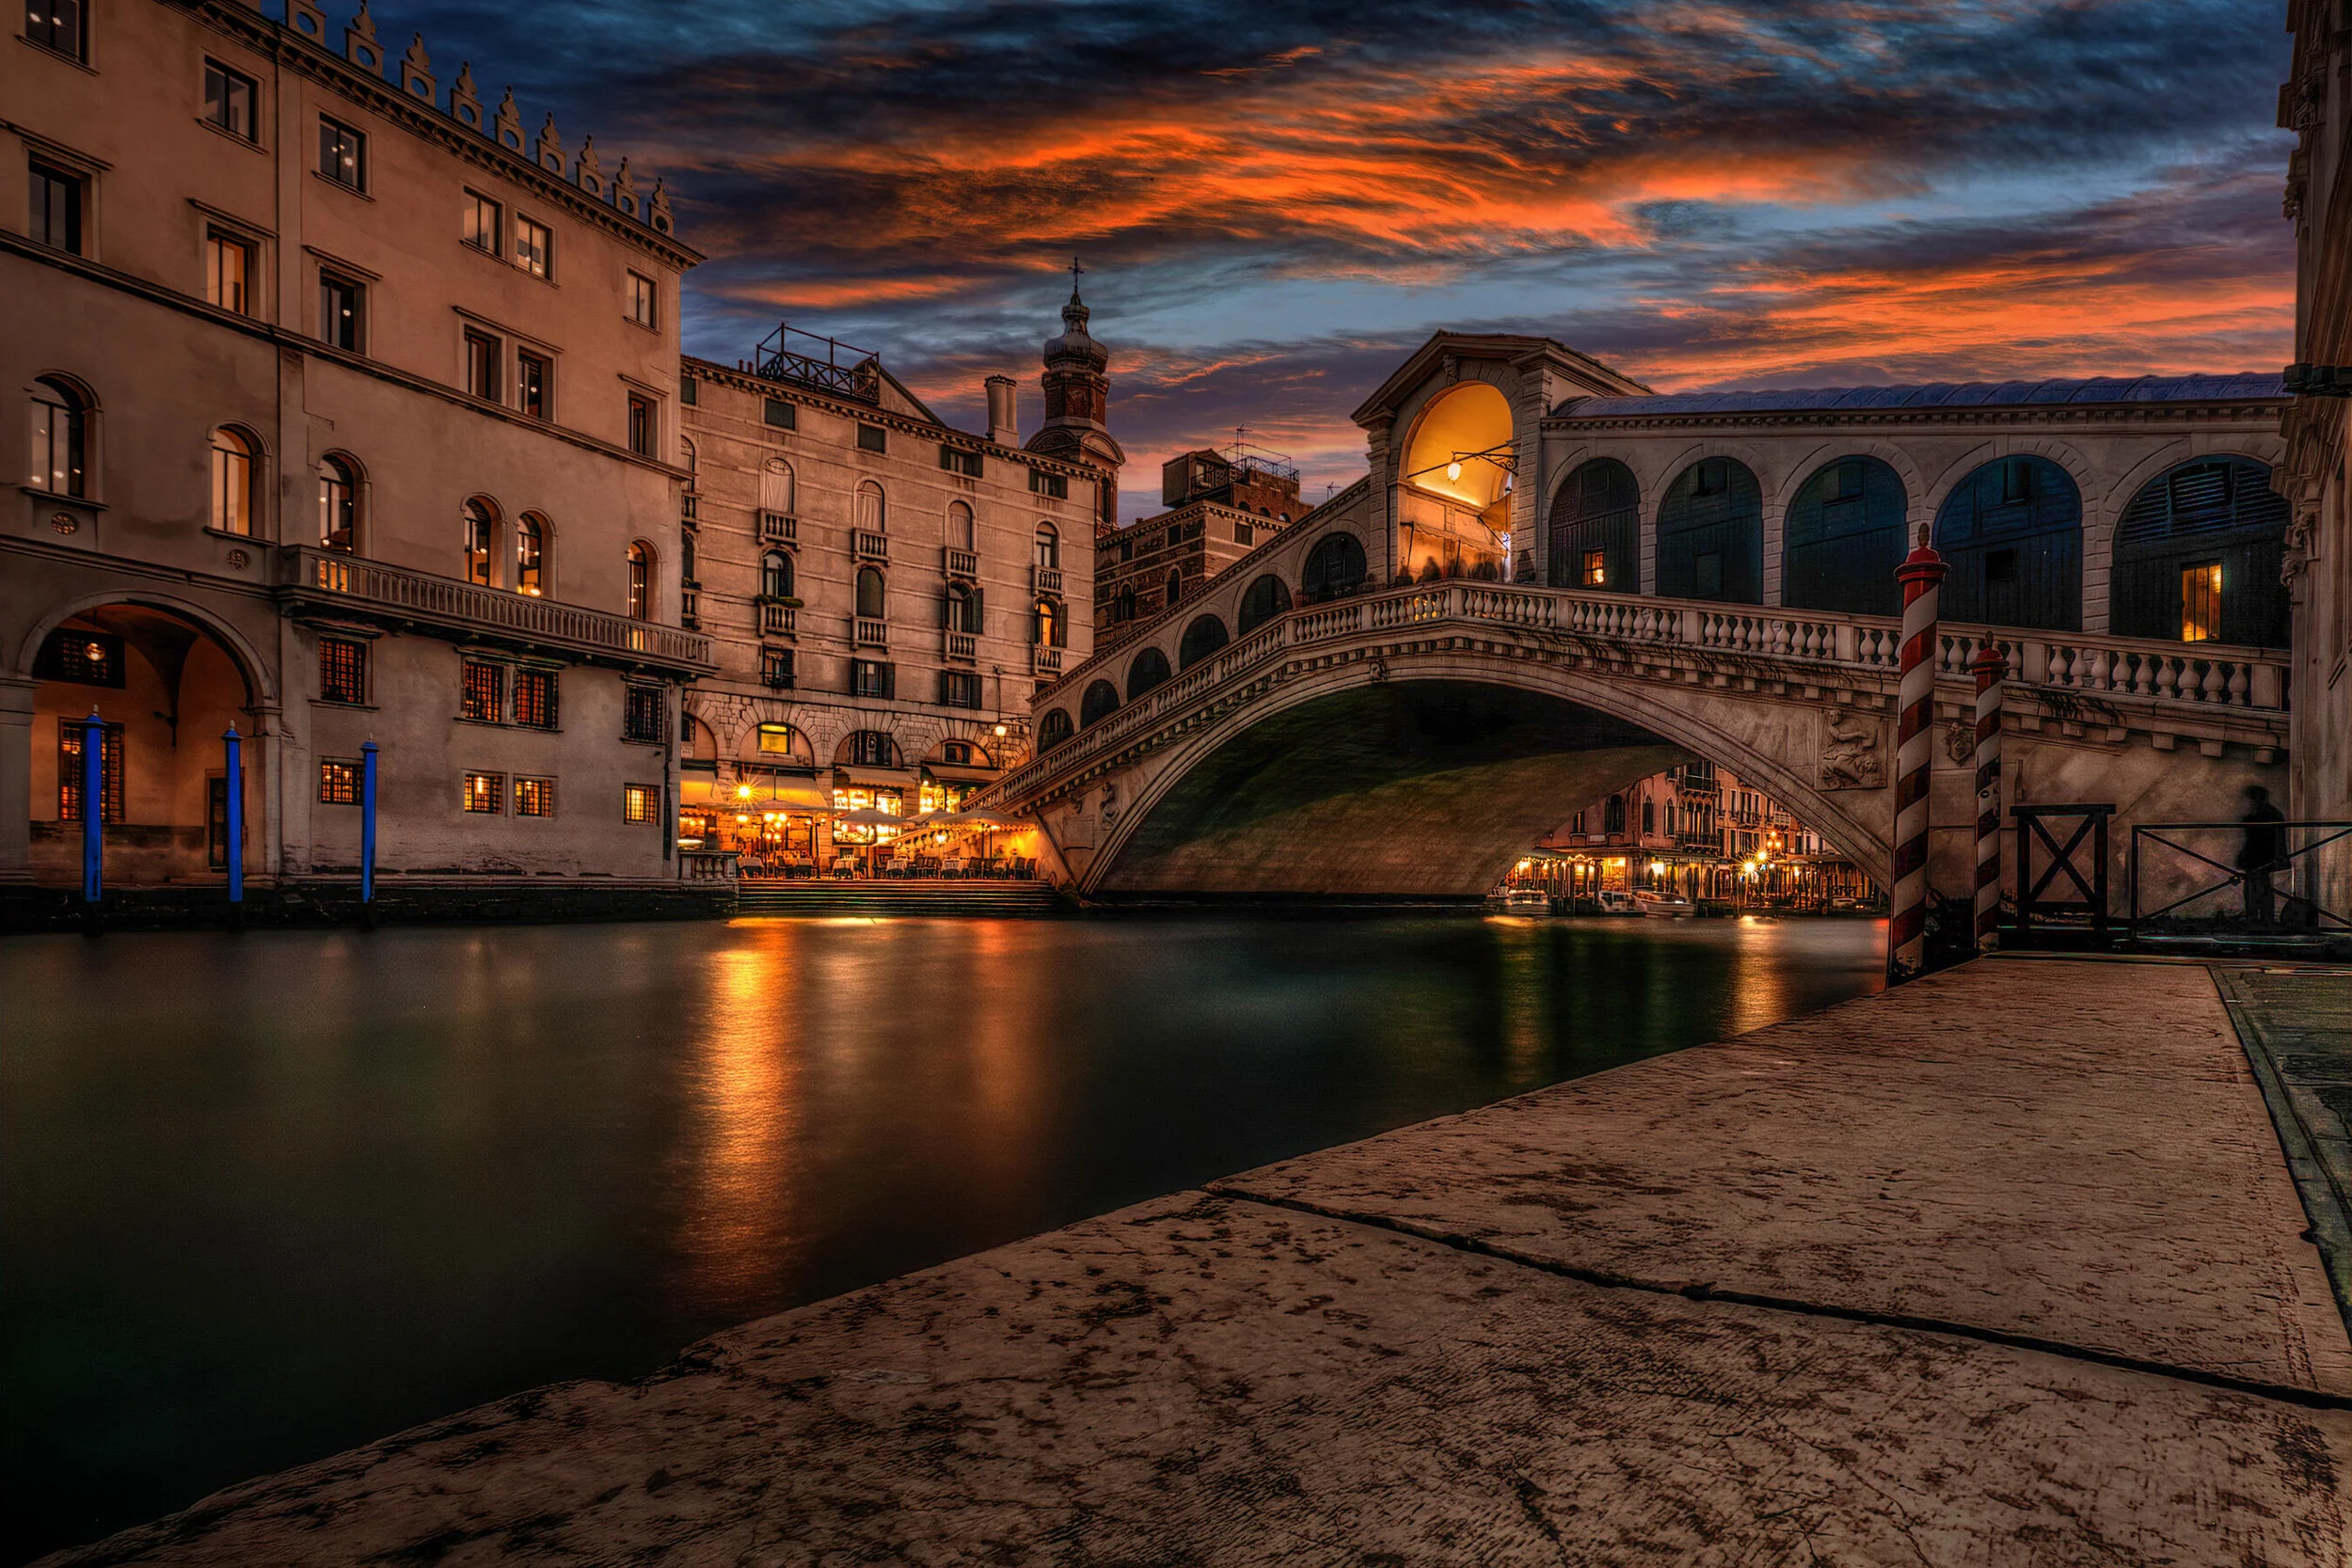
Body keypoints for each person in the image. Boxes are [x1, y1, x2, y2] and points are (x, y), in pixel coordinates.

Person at [2236, 784, 2287, 927]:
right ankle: (2263, 919)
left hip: (2258, 858)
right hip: (2263, 857)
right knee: (2261, 888)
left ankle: (2257, 920)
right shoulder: (2271, 812)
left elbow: (2255, 835)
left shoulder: (2263, 814)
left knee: (2255, 889)